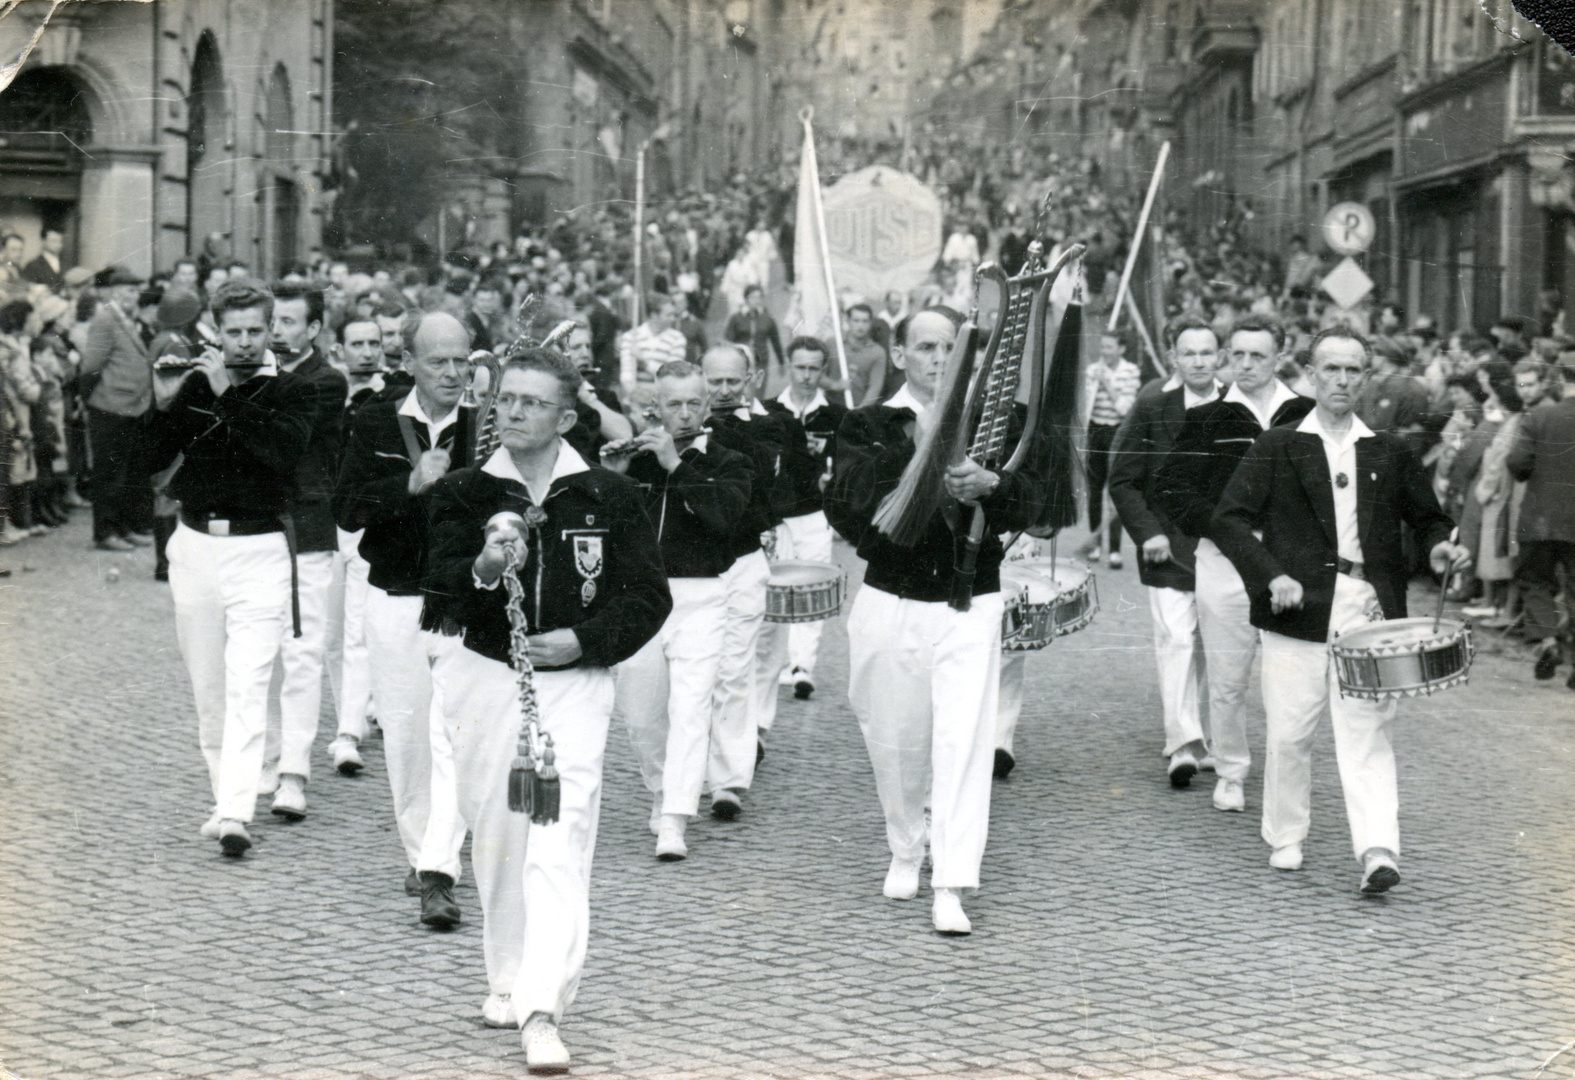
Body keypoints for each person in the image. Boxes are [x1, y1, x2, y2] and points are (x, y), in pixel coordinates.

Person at [422, 347, 669, 1069]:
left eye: (533, 402)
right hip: (485, 677)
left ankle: (541, 1008)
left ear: (566, 417)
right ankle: (506, 976)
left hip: (572, 685)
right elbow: (434, 588)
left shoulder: (611, 496)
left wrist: (586, 641)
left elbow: (648, 598)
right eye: (507, 399)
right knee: (499, 840)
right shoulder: (466, 493)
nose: (514, 411)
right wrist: (484, 568)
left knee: (558, 842)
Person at [1211, 327, 1466, 893]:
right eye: (1331, 369)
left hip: (1369, 614)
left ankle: (1378, 849)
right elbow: (1228, 518)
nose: (1343, 380)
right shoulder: (1278, 445)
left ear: (1366, 377)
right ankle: (1286, 834)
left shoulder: (1388, 450)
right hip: (1296, 611)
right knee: (1290, 733)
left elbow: (1429, 518)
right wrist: (1270, 575)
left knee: (1367, 733)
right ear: (1311, 373)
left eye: (1354, 370)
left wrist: (1440, 546)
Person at [825, 307, 1046, 936]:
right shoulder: (868, 424)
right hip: (891, 600)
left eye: (952, 347)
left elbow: (1041, 501)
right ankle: (905, 842)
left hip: (970, 600)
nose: (939, 358)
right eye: (924, 346)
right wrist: (921, 453)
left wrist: (993, 483)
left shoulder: (1000, 423)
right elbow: (848, 510)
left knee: (964, 738)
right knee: (893, 736)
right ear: (899, 356)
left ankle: (952, 880)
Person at [145, 278, 317, 857]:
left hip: (260, 547)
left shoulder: (294, 392)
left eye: (254, 331)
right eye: (233, 332)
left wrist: (225, 395)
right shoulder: (198, 381)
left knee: (250, 679)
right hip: (195, 545)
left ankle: (235, 809)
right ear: (216, 332)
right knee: (209, 687)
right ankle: (227, 795)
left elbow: (279, 455)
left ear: (271, 331)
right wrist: (165, 400)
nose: (243, 343)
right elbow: (146, 459)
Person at [332, 311, 477, 920]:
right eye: (438, 361)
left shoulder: (488, 423)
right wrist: (408, 485)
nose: (451, 373)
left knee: (457, 735)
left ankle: (440, 866)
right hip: (394, 595)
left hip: (467, 603)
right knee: (408, 737)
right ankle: (424, 856)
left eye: (461, 360)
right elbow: (345, 509)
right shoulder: (372, 420)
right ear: (410, 363)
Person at [1155, 314, 1314, 812]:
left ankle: (1285, 777)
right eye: (1237, 355)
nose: (1245, 365)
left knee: (1292, 676)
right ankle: (1231, 770)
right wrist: (1224, 523)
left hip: (1291, 564)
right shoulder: (1208, 417)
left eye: (1258, 356)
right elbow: (1172, 490)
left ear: (1280, 357)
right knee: (1227, 675)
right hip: (1224, 563)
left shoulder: (1305, 415)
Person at [606, 360, 752, 860]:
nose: (685, 414)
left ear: (707, 404)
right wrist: (614, 479)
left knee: (691, 710)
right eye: (674, 404)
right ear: (655, 407)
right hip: (641, 595)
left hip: (702, 598)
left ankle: (675, 819)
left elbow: (725, 518)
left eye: (695, 403)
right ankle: (660, 791)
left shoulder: (731, 460)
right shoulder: (638, 458)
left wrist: (677, 466)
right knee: (642, 717)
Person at [1108, 315, 1221, 788]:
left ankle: (1205, 736)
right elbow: (1123, 477)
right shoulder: (1153, 407)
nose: (1198, 361)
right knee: (1175, 639)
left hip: (1224, 550)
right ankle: (1182, 743)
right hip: (1169, 548)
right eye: (1188, 352)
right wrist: (1147, 533)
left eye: (1206, 352)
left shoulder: (1239, 408)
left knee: (1212, 649)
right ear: (1173, 357)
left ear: (1220, 358)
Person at [258, 283, 347, 821]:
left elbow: (291, 437)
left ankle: (294, 771)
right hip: (259, 526)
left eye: (288, 322)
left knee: (303, 650)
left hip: (310, 526)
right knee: (259, 653)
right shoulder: (259, 375)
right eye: (273, 321)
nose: (275, 332)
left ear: (313, 329)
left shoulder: (326, 382)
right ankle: (267, 760)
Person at [700, 343, 799, 820]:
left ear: (750, 381)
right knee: (696, 672)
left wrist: (702, 431)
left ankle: (730, 780)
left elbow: (755, 479)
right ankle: (693, 767)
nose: (722, 392)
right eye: (713, 382)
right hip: (690, 568)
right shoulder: (681, 426)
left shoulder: (765, 427)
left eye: (731, 382)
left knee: (735, 669)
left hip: (741, 559)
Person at [760, 336, 846, 706]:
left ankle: (801, 666)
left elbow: (846, 464)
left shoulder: (837, 416)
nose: (807, 376)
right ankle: (773, 663)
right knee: (773, 590)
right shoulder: (766, 411)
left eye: (814, 369)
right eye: (800, 367)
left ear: (823, 371)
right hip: (776, 517)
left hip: (813, 513)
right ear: (788, 367)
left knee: (810, 590)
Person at [79, 266, 156, 552]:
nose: (132, 296)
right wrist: (91, 399)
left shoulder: (124, 318)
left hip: (131, 407)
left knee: (127, 472)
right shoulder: (105, 320)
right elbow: (90, 366)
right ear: (112, 291)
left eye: (135, 291)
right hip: (110, 408)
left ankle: (123, 528)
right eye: (126, 290)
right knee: (109, 474)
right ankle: (105, 532)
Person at [1507, 376, 1575, 686]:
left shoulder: (1539, 416)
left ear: (1562, 381)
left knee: (1534, 581)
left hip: (1540, 518)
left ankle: (1548, 642)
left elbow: (1518, 463)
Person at [1082, 331, 1141, 567]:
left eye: (1109, 347)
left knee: (1115, 490)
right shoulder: (1092, 370)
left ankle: (1115, 550)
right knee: (1094, 490)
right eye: (1103, 347)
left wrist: (1106, 382)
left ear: (1121, 349)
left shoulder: (1131, 372)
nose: (1104, 351)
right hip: (1095, 432)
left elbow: (1124, 409)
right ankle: (1095, 545)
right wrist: (1094, 382)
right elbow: (1086, 406)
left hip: (1118, 433)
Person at [618, 293, 687, 403]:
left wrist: (644, 363)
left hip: (664, 398)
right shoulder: (630, 337)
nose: (673, 319)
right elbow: (626, 374)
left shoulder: (677, 338)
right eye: (669, 315)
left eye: (674, 315)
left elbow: (672, 374)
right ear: (654, 315)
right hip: (635, 397)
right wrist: (633, 393)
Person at [723, 284, 785, 390]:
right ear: (746, 299)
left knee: (758, 390)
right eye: (753, 297)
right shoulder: (736, 318)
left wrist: (781, 362)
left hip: (761, 361)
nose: (756, 300)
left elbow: (776, 342)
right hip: (742, 361)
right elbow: (728, 342)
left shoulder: (767, 318)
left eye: (759, 297)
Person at [835, 303, 888, 406]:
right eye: (856, 320)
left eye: (865, 321)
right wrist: (834, 385)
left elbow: (875, 388)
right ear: (848, 321)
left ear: (870, 323)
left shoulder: (878, 352)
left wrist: (858, 413)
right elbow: (819, 377)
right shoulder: (834, 343)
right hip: (830, 409)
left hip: (858, 410)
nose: (860, 325)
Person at [22, 228, 66, 292]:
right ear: (43, 241)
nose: (58, 245)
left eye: (60, 241)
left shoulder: (65, 264)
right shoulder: (32, 265)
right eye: (54, 241)